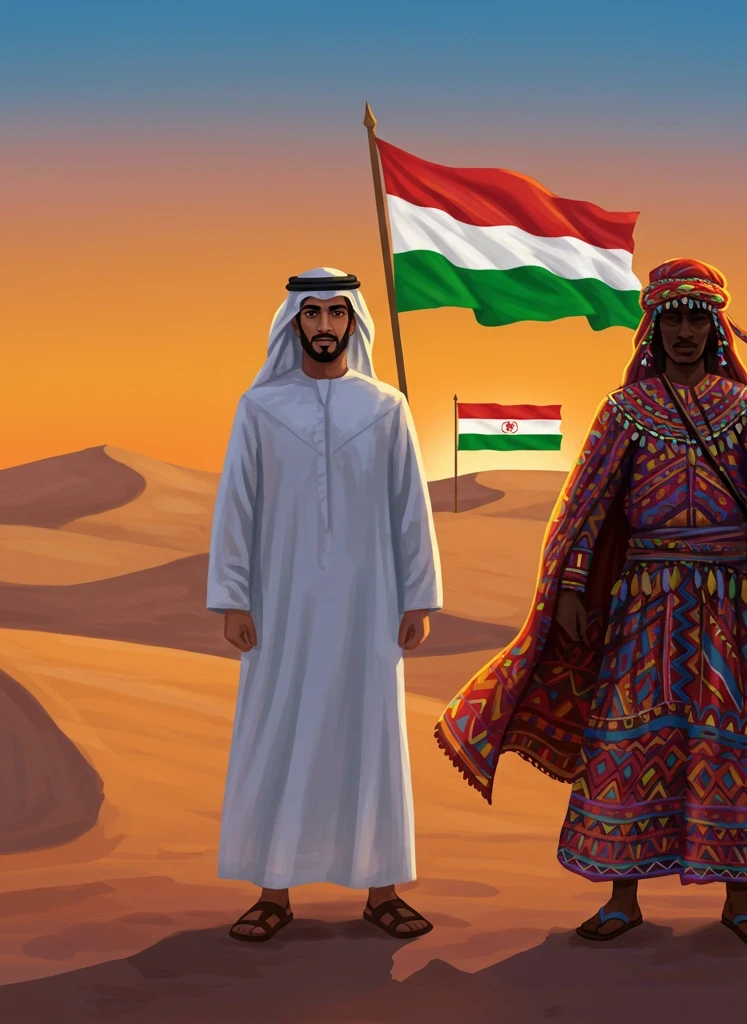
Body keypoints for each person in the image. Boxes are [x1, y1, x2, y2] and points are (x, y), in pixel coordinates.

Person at [436, 257, 747, 945]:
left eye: (696, 319)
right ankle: (622, 896)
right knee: (629, 736)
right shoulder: (623, 411)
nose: (684, 332)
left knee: (730, 742)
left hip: (728, 603)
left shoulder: (746, 410)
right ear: (654, 327)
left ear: (715, 329)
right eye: (673, 318)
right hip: (643, 603)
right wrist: (570, 585)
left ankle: (741, 900)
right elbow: (589, 506)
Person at [208, 267, 442, 943]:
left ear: (352, 322)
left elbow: (409, 507)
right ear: (294, 322)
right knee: (278, 730)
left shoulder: (386, 407)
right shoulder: (260, 408)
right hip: (281, 603)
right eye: (311, 313)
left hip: (370, 603)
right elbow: (237, 506)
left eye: (336, 313)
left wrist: (418, 597)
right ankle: (272, 892)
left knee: (370, 736)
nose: (323, 325)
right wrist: (232, 596)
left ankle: (383, 891)